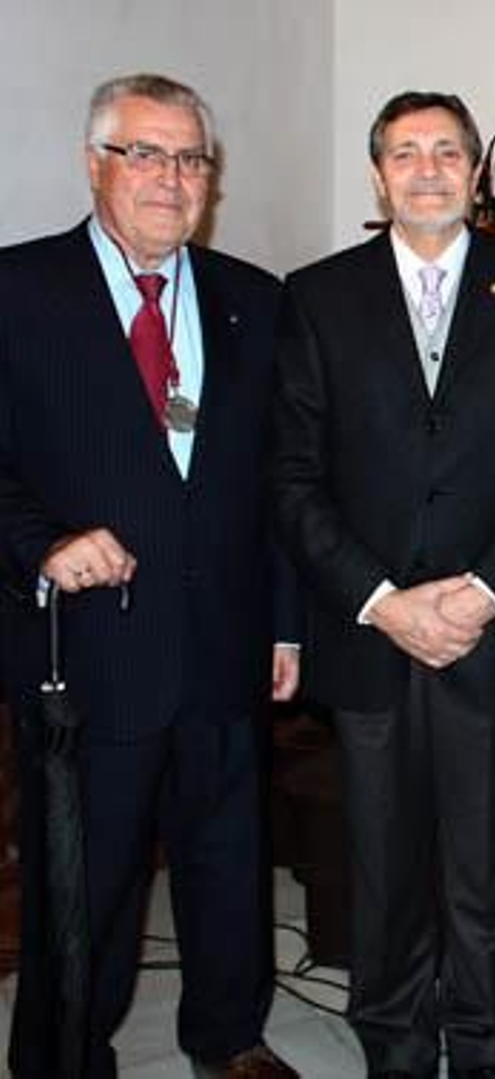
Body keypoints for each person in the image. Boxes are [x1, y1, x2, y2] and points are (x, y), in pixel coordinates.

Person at [271, 91, 495, 1079]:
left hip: (490, 630)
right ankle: (395, 1046)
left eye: (448, 149)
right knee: (384, 866)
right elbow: (292, 476)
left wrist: (483, 589)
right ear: (377, 175)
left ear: (475, 170)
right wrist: (383, 598)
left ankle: (487, 1048)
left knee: (485, 870)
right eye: (405, 152)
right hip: (367, 632)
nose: (429, 168)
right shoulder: (317, 296)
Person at [0, 74, 299, 1078]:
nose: (171, 178)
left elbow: (281, 485)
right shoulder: (16, 290)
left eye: (189, 158)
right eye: (146, 153)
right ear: (95, 164)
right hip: (86, 648)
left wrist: (287, 627)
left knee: (228, 863)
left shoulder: (255, 301)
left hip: (224, 639)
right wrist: (42, 539)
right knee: (85, 881)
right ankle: (61, 1056)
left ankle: (229, 1034)